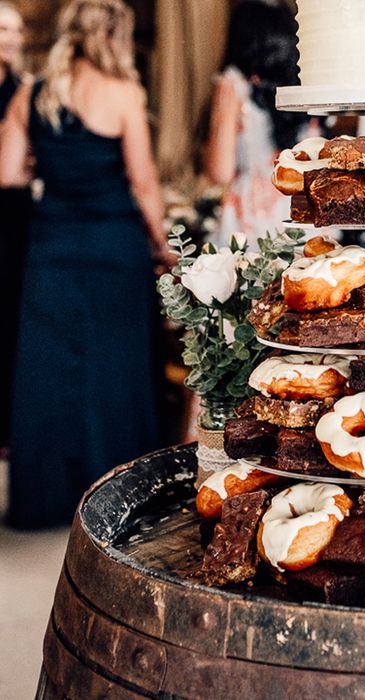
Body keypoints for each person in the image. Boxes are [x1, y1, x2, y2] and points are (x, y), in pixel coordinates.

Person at [0, 0, 170, 529]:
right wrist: (165, 244)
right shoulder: (124, 93)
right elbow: (142, 182)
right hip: (114, 245)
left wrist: (47, 164)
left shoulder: (32, 93)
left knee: (50, 371)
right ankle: (117, 500)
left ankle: (47, 498)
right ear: (114, 36)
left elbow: (7, 172)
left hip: (52, 244)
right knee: (115, 369)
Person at [205, 0, 307, 246]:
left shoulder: (233, 84)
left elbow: (220, 172)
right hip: (299, 210)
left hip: (250, 215)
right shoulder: (302, 84)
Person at [0, 1, 31, 456]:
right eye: (3, 27)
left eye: (17, 30)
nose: (12, 37)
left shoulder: (26, 89)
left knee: (11, 314)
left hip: (18, 214)